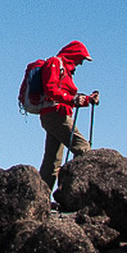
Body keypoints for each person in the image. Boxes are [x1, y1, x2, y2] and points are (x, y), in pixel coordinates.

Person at [37, 41, 98, 190]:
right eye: (81, 59)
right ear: (74, 55)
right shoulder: (55, 63)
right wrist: (73, 100)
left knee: (52, 160)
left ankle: (41, 197)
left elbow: (64, 94)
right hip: (56, 115)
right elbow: (50, 88)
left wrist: (87, 100)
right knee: (84, 149)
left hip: (54, 115)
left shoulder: (64, 69)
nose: (81, 63)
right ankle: (73, 191)